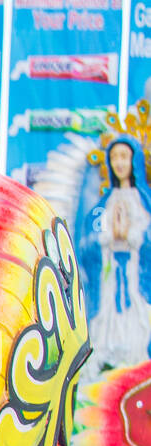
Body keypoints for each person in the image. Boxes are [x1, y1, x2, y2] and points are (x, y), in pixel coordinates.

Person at [80, 136, 151, 372]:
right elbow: (86, 247)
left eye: (124, 157)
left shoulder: (145, 203)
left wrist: (133, 238)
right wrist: (107, 239)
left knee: (138, 334)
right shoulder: (103, 206)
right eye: (114, 157)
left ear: (134, 160)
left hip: (136, 283)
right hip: (108, 286)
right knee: (105, 336)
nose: (119, 163)